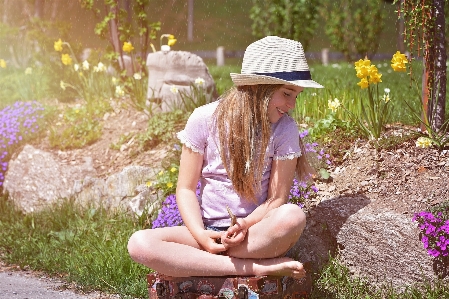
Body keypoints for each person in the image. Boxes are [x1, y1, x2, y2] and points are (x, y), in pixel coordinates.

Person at [127, 36, 323, 279]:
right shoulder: (204, 119)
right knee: (139, 242)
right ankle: (255, 268)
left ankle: (198, 264)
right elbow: (186, 189)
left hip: (252, 235)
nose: (291, 104)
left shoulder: (285, 129)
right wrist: (201, 235)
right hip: (208, 233)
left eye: (296, 96)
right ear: (259, 88)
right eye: (286, 93)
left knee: (292, 216)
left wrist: (244, 225)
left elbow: (276, 198)